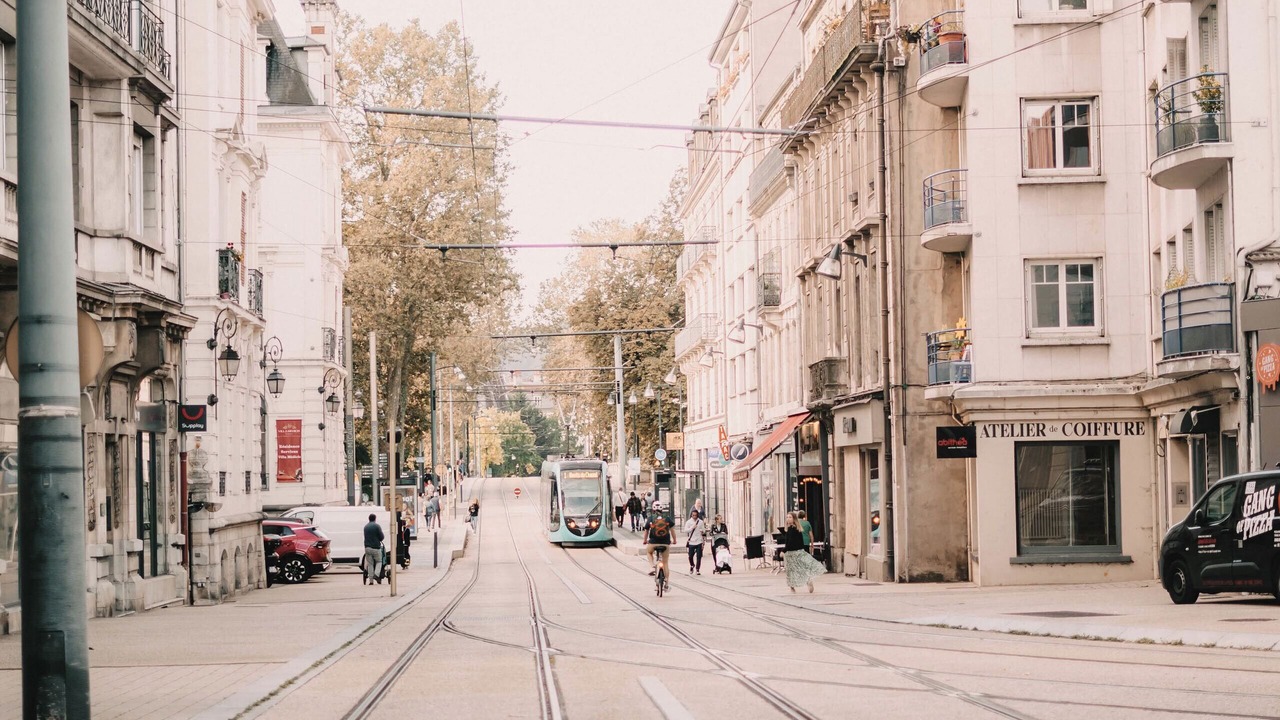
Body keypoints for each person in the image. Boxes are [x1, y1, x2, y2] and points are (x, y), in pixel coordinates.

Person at [782, 511, 825, 593]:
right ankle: (806, 580)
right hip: (799, 550)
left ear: (794, 518)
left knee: (791, 571)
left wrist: (783, 551)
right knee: (799, 568)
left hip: (792, 552)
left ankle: (792, 587)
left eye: (790, 517)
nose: (788, 518)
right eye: (787, 517)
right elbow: (806, 538)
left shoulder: (792, 529)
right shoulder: (796, 528)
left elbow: (789, 542)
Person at [644, 505, 676, 583]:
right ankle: (666, 583)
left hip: (653, 543)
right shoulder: (667, 518)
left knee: (648, 552)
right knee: (665, 563)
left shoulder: (651, 518)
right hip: (665, 543)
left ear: (653, 510)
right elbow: (672, 531)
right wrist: (674, 540)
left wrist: (645, 540)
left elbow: (646, 531)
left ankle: (652, 566)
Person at [362, 513, 384, 585]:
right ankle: (376, 575)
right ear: (375, 519)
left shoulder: (366, 527)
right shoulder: (377, 526)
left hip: (367, 547)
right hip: (376, 547)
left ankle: (371, 581)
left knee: (370, 564)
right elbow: (381, 537)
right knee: (379, 561)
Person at [683, 509, 706, 575]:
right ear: (691, 515)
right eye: (693, 515)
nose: (694, 516)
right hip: (692, 541)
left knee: (699, 556)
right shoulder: (688, 522)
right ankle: (692, 565)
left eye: (695, 515)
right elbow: (686, 530)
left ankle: (697, 569)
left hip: (699, 541)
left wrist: (702, 531)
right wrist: (692, 528)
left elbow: (704, 530)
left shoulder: (700, 522)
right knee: (690, 556)